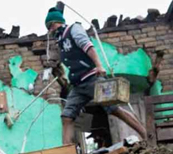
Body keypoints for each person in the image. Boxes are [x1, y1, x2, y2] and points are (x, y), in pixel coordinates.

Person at [45, 7, 147, 146]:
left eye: (50, 27)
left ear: (54, 23)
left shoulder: (74, 29)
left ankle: (145, 134)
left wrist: (99, 65)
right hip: (77, 85)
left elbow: (88, 46)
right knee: (67, 116)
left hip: (92, 79)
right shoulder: (60, 41)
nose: (50, 31)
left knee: (114, 110)